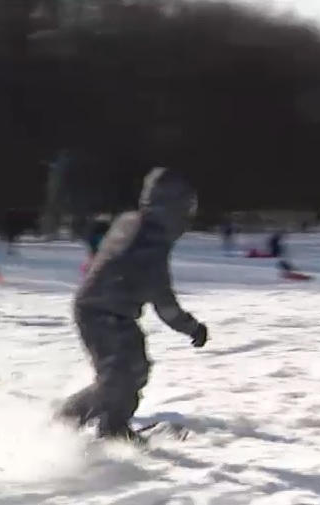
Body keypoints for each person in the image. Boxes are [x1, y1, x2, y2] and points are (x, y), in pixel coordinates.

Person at [55, 167, 208, 442]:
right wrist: (192, 327)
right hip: (101, 314)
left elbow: (105, 245)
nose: (188, 216)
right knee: (117, 378)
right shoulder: (151, 245)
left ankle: (111, 425)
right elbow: (164, 302)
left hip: (110, 312)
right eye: (186, 208)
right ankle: (68, 422)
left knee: (134, 369)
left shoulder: (130, 221)